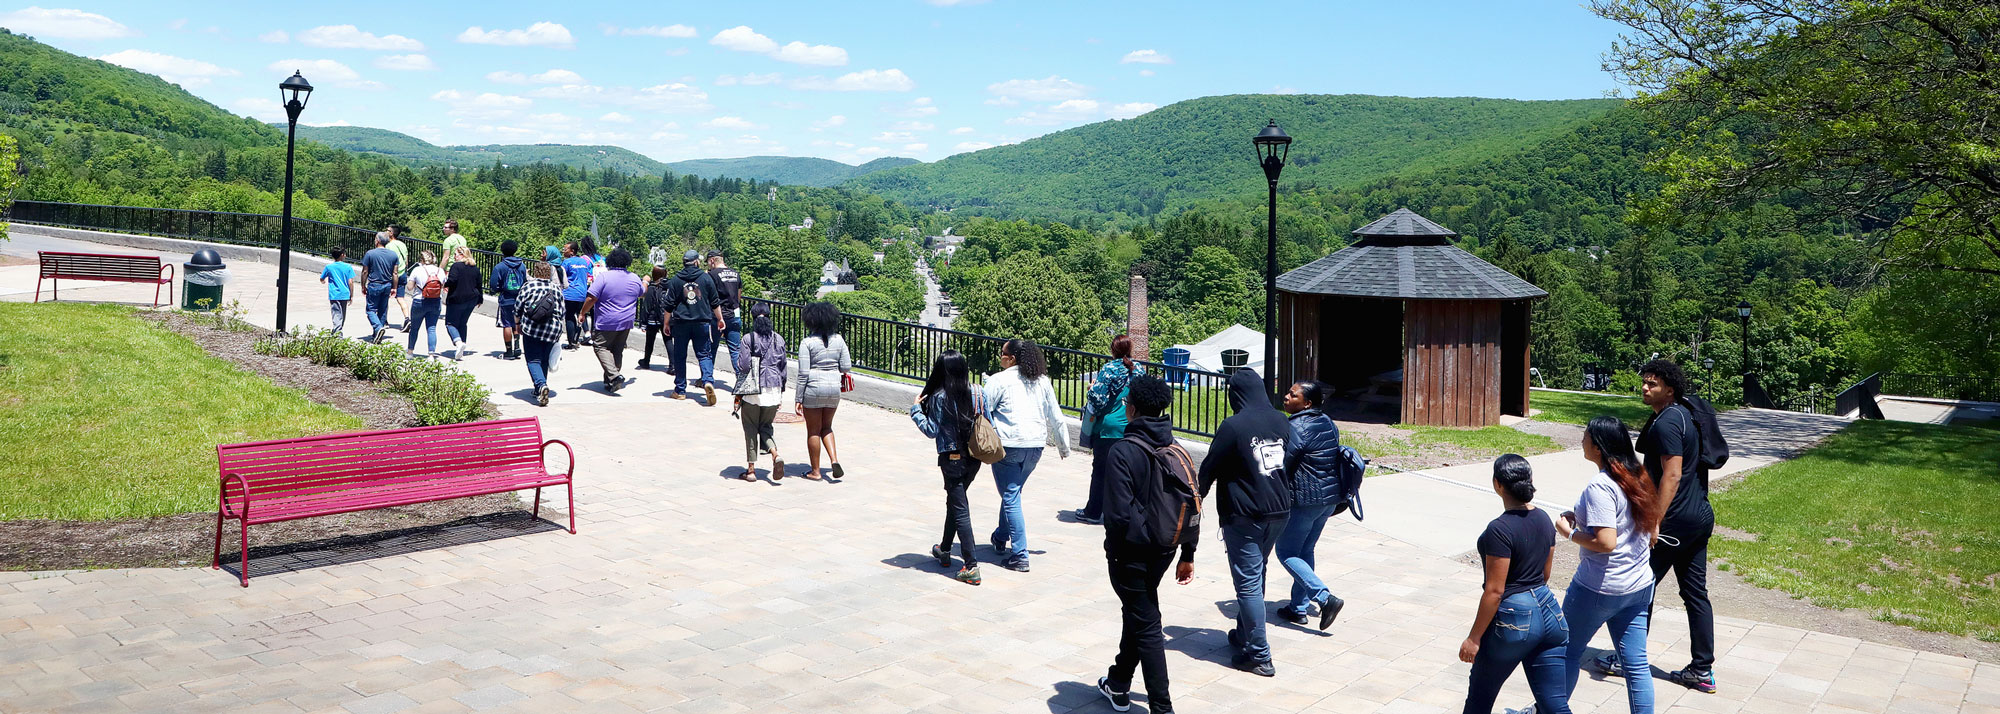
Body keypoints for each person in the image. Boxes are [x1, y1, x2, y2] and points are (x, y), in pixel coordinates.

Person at [1598, 359, 1720, 694]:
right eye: (1644, 382)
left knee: (1639, 588)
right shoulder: (1684, 416)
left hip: (1673, 523)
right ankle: (1702, 670)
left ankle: (1628, 660)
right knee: (1695, 593)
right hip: (1699, 517)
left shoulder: (1668, 422)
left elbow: (1673, 474)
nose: (1645, 388)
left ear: (1669, 387)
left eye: (1652, 383)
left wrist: (1654, 520)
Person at [1096, 375, 1198, 714]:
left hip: (1132, 555)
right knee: (1139, 615)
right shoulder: (1176, 448)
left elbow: (1118, 515)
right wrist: (1187, 553)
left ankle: (1162, 708)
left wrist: (1122, 548)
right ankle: (1119, 682)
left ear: (1133, 409)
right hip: (1166, 549)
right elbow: (1193, 501)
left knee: (1148, 624)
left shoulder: (1123, 451)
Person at [1559, 416, 1663, 714]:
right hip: (1639, 584)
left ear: (1599, 447)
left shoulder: (1600, 486)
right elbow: (1645, 526)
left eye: (1586, 436)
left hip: (1600, 587)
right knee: (1636, 665)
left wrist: (1569, 533)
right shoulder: (1639, 476)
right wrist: (1583, 518)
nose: (1582, 441)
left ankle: (1549, 709)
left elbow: (1607, 542)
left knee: (1565, 652)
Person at [1196, 368, 1295, 677]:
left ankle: (1259, 655)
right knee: (1256, 574)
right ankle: (1243, 635)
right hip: (1278, 511)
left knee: (1248, 583)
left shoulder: (1233, 426)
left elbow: (1210, 467)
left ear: (1235, 394)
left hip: (1245, 515)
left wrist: (1194, 500)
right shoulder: (1281, 420)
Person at [1460, 455, 1572, 714]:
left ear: (1497, 484)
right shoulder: (1544, 518)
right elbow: (1545, 574)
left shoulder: (1499, 529)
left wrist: (1474, 638)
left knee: (1479, 700)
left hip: (1516, 619)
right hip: (1550, 614)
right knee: (1555, 704)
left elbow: (1495, 591)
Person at [981, 338, 1071, 572]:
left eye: (1003, 353)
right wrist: (1063, 447)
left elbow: (982, 409)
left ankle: (1020, 555)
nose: (1000, 357)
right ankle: (1001, 536)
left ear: (1011, 358)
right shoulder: (1041, 381)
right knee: (1013, 492)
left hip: (1009, 445)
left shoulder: (999, 380)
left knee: (1010, 496)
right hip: (1035, 447)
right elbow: (1056, 416)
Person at [1274, 379, 1346, 630]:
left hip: (1305, 500)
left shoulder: (1296, 426)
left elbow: (1284, 464)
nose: (1286, 397)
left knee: (1286, 552)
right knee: (1305, 552)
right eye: (1288, 393)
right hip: (1328, 499)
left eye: (1293, 395)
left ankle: (1325, 599)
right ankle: (1298, 608)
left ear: (1307, 403)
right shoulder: (1327, 422)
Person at [911, 350, 985, 586]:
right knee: (956, 502)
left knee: (960, 507)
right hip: (974, 458)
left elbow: (931, 430)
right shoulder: (977, 391)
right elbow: (987, 422)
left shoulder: (939, 397)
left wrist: (915, 410)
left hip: (952, 459)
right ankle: (944, 549)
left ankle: (971, 566)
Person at [1077, 334, 1144, 525]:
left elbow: (1097, 399)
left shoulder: (1109, 369)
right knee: (1127, 472)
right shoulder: (1138, 368)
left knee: (1101, 471)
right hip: (1131, 426)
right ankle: (1123, 511)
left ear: (1113, 350)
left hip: (1108, 428)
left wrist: (1091, 388)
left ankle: (1093, 512)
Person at [794, 301, 851, 481]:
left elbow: (803, 373)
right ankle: (834, 460)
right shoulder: (839, 340)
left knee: (813, 431)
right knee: (827, 427)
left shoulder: (807, 342)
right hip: (834, 388)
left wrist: (798, 398)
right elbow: (846, 366)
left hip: (813, 387)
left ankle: (815, 471)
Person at [735, 303, 788, 481]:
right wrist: (781, 391)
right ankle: (775, 453)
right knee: (766, 427)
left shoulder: (748, 339)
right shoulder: (778, 339)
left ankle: (751, 470)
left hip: (753, 390)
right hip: (773, 389)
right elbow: (783, 368)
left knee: (750, 427)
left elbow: (743, 365)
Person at [579, 248, 644, 393]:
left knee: (600, 347)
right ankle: (610, 381)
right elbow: (642, 293)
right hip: (627, 320)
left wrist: (583, 312)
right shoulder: (634, 277)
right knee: (617, 350)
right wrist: (645, 281)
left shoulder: (604, 277)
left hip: (607, 320)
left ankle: (614, 376)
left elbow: (591, 297)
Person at [664, 250, 725, 403]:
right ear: (696, 262)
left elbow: (669, 305)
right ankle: (708, 380)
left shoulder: (676, 280)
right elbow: (715, 302)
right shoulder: (706, 278)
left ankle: (680, 390)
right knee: (704, 354)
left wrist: (666, 323)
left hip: (681, 323)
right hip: (702, 322)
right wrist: (720, 319)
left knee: (680, 356)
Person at [514, 263, 564, 406]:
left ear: (535, 272)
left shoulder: (528, 286)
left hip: (532, 328)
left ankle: (541, 385)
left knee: (533, 360)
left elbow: (518, 307)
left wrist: (517, 324)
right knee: (543, 359)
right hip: (552, 330)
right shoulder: (556, 289)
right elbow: (562, 312)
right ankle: (539, 389)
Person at [441, 246, 483, 361]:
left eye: (456, 254)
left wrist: (444, 282)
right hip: (472, 299)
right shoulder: (475, 268)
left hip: (457, 298)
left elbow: (452, 280)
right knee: (462, 323)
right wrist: (480, 299)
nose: (454, 257)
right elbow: (479, 284)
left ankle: (458, 343)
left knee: (450, 323)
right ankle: (462, 347)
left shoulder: (456, 266)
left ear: (462, 255)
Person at [489, 239, 528, 360]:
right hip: (519, 299)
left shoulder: (499, 266)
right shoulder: (522, 265)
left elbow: (493, 285)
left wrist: (496, 290)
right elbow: (525, 280)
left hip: (506, 298)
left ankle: (509, 351)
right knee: (516, 323)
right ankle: (517, 347)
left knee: (506, 324)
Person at [706, 250, 745, 370]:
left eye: (708, 262)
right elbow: (738, 297)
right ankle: (741, 381)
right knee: (735, 350)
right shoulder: (736, 274)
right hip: (734, 315)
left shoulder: (711, 275)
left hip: (717, 317)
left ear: (712, 260)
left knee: (710, 349)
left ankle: (707, 379)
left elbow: (708, 296)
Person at [403, 251, 446, 357]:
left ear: (421, 260)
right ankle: (431, 354)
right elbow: (443, 285)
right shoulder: (440, 271)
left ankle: (410, 352)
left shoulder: (417, 270)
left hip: (419, 300)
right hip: (435, 301)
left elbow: (409, 287)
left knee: (414, 328)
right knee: (431, 328)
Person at [359, 234, 399, 343]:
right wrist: (395, 287)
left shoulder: (370, 254)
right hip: (387, 284)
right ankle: (377, 335)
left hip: (374, 284)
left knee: (371, 310)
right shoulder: (393, 255)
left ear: (377, 241)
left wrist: (363, 285)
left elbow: (365, 271)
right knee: (382, 310)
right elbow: (395, 273)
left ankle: (378, 328)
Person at [560, 243, 595, 349]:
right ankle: (576, 338)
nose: (563, 251)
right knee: (581, 315)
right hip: (582, 293)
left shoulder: (566, 262)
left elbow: (562, 277)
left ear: (572, 251)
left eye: (565, 249)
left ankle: (571, 343)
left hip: (570, 293)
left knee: (570, 317)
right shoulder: (584, 262)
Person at [636, 266, 670, 372]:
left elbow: (647, 306)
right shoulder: (669, 286)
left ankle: (646, 361)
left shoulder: (651, 288)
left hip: (653, 318)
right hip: (665, 317)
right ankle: (673, 365)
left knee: (649, 341)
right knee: (668, 340)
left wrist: (643, 323)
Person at [319, 247, 355, 336]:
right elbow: (350, 282)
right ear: (342, 255)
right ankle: (337, 331)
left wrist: (323, 281)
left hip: (334, 294)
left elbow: (322, 278)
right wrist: (351, 295)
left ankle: (337, 332)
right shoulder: (348, 267)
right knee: (342, 314)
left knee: (336, 313)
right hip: (345, 293)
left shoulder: (329, 267)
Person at [385, 225, 411, 330]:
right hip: (402, 273)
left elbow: (388, 261)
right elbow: (406, 260)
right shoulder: (402, 244)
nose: (386, 232)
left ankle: (383, 321)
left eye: (387, 230)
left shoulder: (389, 246)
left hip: (392, 275)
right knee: (400, 298)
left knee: (384, 298)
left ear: (391, 233)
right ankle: (407, 318)